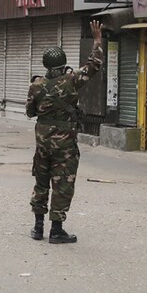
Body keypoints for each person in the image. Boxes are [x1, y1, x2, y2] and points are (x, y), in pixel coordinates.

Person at [26, 20, 104, 244]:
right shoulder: (72, 80)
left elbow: (30, 112)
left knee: (41, 182)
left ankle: (38, 227)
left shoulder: (36, 85)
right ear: (63, 62)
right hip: (65, 146)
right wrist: (97, 39)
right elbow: (94, 65)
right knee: (62, 183)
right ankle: (57, 230)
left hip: (42, 144)